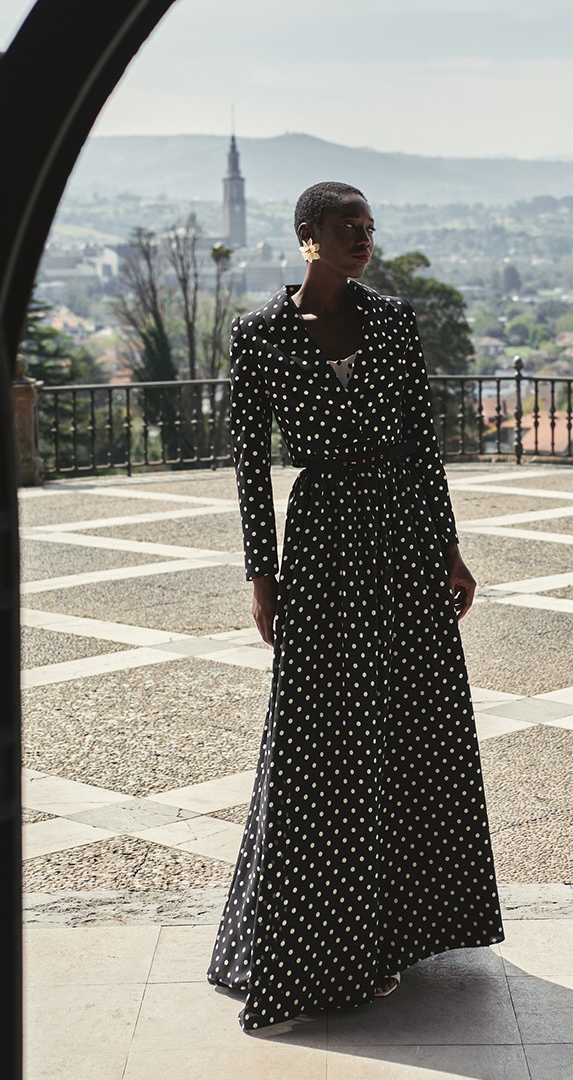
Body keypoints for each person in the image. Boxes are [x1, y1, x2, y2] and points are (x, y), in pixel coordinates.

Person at [208, 180, 504, 1033]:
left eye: (370, 227)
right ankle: (321, 947)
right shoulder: (259, 336)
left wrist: (449, 548)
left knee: (414, 723)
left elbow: (423, 442)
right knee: (324, 734)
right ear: (309, 236)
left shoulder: (395, 323)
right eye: (349, 227)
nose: (364, 238)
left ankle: (402, 934)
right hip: (326, 539)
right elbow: (248, 468)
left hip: (405, 536)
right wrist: (262, 575)